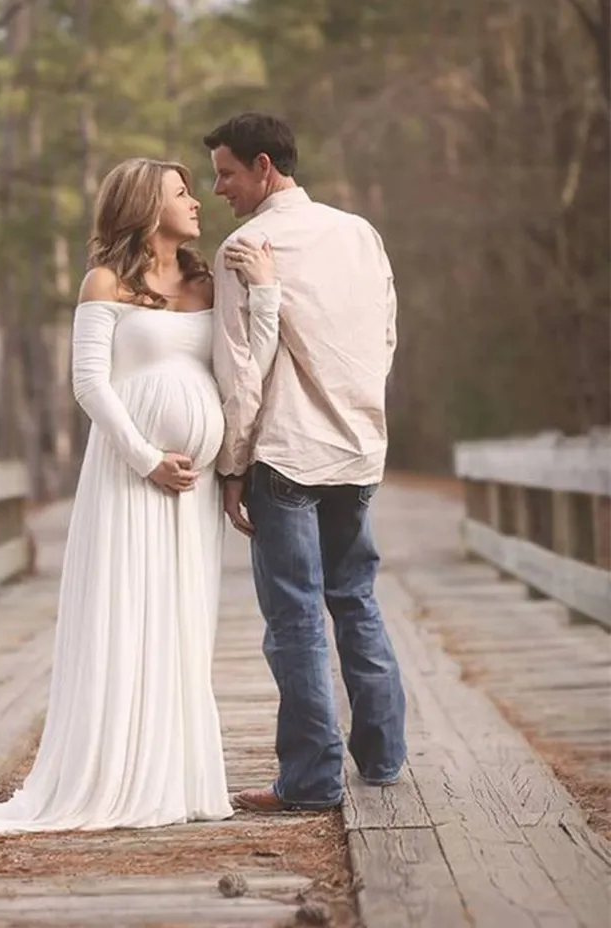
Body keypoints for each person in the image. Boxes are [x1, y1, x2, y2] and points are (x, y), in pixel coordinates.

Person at [0, 157, 281, 833]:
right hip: (129, 475)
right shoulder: (104, 282)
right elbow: (89, 384)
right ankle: (114, 771)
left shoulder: (207, 279)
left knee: (183, 620)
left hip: (193, 488)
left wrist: (266, 295)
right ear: (144, 206)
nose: (197, 201)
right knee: (126, 611)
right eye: (180, 192)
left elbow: (245, 359)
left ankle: (177, 773)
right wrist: (144, 459)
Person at [207, 112, 407, 813]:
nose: (220, 189)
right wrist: (362, 414)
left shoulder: (244, 247)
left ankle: (312, 781)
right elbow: (384, 334)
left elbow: (241, 370)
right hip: (358, 449)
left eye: (227, 173)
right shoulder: (359, 232)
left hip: (287, 454)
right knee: (355, 600)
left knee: (294, 617)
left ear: (264, 166)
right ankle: (382, 759)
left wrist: (231, 467)